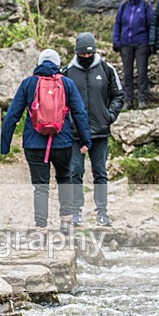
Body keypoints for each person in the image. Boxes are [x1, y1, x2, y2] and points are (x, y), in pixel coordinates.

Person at [0, 49, 91, 232]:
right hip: (63, 142)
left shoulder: (28, 83)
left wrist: (5, 145)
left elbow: (12, 115)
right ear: (58, 64)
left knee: (40, 186)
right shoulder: (67, 84)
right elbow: (80, 113)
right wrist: (85, 140)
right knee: (65, 179)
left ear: (39, 62)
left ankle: (41, 227)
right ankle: (66, 222)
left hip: (34, 144)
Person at [63, 33, 124, 227]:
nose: (87, 57)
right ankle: (75, 212)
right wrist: (67, 122)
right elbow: (60, 102)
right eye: (83, 54)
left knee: (100, 172)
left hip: (100, 131)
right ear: (77, 52)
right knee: (75, 171)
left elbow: (118, 95)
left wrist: (109, 115)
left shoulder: (107, 69)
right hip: (75, 133)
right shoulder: (67, 72)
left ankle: (102, 212)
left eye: (90, 54)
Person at [112, 0, 153, 110]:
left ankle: (142, 99)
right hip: (126, 44)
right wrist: (116, 41)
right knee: (127, 73)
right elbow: (117, 24)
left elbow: (151, 25)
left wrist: (151, 43)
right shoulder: (124, 7)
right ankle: (128, 100)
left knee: (142, 73)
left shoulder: (146, 6)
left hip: (141, 43)